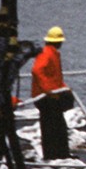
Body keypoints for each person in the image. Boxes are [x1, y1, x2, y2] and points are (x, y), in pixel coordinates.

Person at [30, 26, 73, 160]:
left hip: (51, 95)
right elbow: (37, 70)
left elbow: (55, 76)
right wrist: (48, 89)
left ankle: (60, 154)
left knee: (57, 125)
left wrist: (64, 88)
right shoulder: (47, 54)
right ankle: (54, 155)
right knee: (51, 127)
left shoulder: (52, 53)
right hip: (46, 98)